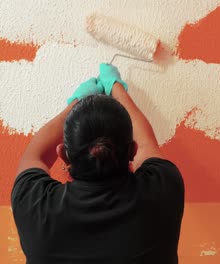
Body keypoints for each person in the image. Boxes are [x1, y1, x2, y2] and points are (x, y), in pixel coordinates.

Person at [10, 64, 185, 264]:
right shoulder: (163, 190)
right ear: (132, 151)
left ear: (63, 155)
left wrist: (76, 103)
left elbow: (35, 155)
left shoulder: (34, 206)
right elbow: (147, 145)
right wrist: (115, 86)